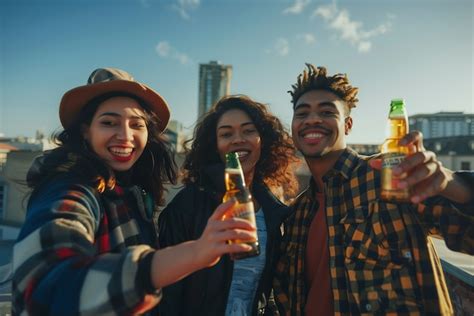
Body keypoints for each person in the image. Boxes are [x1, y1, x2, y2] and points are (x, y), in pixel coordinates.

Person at [12, 68, 257, 315]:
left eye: (136, 125)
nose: (125, 136)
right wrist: (195, 252)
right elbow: (45, 286)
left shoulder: (133, 191)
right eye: (109, 122)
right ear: (86, 130)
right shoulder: (71, 188)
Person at [273, 64, 474, 315]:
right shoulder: (297, 214)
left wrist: (452, 185)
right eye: (302, 114)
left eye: (327, 111)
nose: (312, 119)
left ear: (347, 125)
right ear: (293, 126)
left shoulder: (389, 177)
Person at [157, 95, 299, 316]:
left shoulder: (274, 212)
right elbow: (167, 296)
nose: (237, 139)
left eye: (248, 130)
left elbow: (265, 293)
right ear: (215, 145)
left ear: (263, 138)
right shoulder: (188, 205)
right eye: (226, 134)